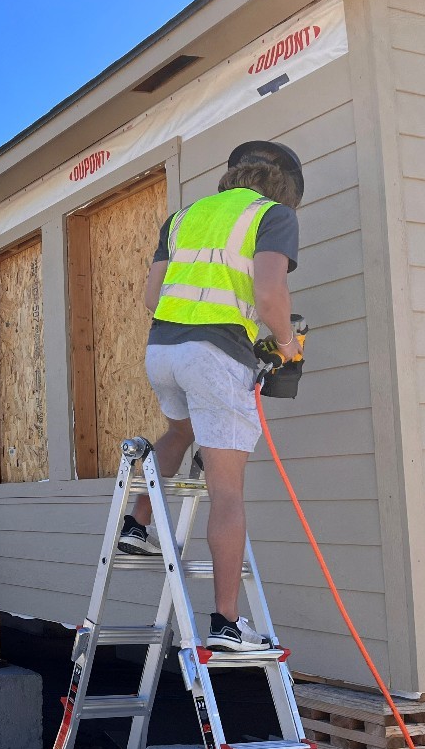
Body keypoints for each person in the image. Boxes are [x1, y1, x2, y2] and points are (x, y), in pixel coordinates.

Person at [117, 139, 305, 653]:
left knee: (180, 430)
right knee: (227, 491)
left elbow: (154, 298)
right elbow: (269, 296)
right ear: (285, 188)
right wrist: (286, 345)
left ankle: (138, 523)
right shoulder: (276, 216)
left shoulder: (183, 218)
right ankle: (226, 623)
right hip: (217, 355)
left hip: (164, 350)